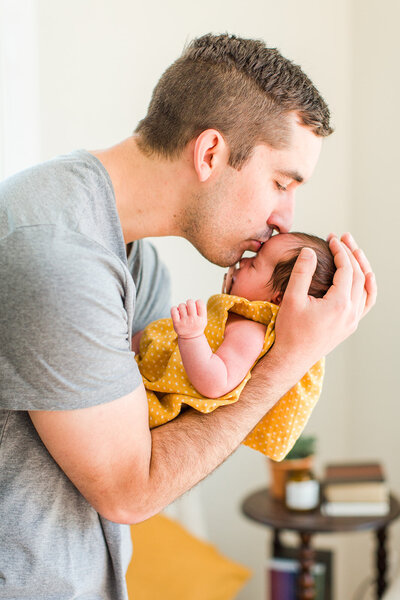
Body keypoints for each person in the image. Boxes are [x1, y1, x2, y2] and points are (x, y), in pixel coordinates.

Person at [0, 33, 376, 600]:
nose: (284, 220)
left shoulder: (137, 261)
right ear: (210, 154)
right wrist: (289, 360)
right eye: (281, 183)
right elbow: (131, 489)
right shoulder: (56, 254)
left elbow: (167, 432)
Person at [136, 232, 335, 461]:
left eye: (255, 264)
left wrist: (191, 336)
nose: (244, 261)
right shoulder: (239, 315)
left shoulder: (251, 332)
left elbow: (215, 382)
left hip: (151, 403)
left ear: (278, 300)